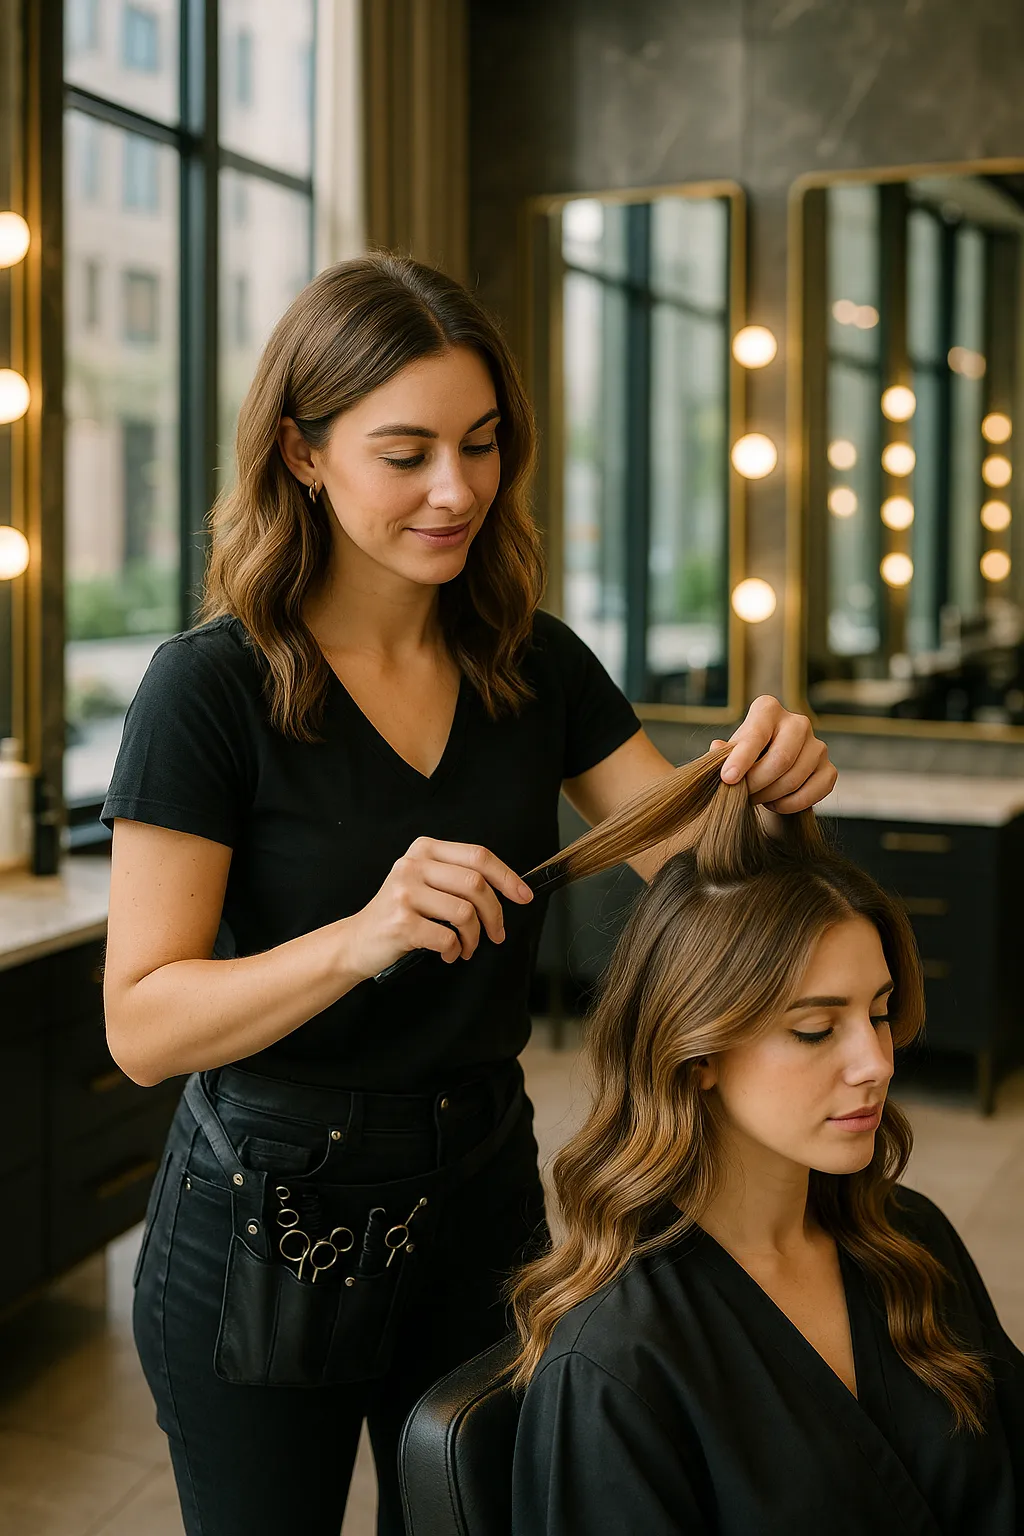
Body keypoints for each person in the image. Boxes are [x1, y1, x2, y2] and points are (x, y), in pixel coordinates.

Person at [101, 252, 837, 1536]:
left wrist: (768, 800)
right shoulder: (208, 689)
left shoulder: (532, 664)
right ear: (302, 452)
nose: (457, 489)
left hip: (482, 1198)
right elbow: (142, 1026)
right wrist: (362, 937)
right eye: (407, 453)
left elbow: (711, 883)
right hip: (266, 1222)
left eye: (482, 444)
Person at [511, 752, 1024, 1536]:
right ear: (698, 1053)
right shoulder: (618, 1363)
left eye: (879, 1014)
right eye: (816, 1028)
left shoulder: (912, 1242)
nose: (877, 1063)